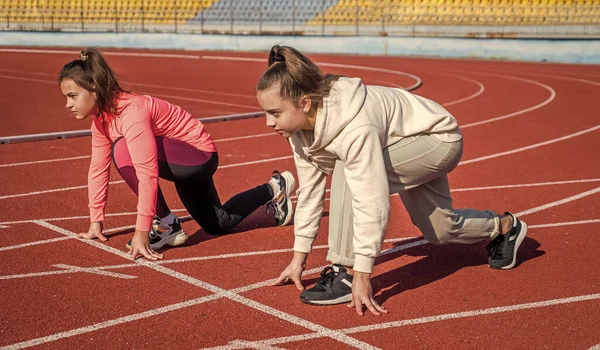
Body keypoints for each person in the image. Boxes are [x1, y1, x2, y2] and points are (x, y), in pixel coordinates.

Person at [256, 45, 528, 316]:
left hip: (437, 139)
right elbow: (310, 191)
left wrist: (362, 271)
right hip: (396, 144)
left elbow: (370, 197)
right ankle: (504, 227)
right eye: (266, 113)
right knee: (441, 230)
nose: (268, 122)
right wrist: (298, 258)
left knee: (348, 171)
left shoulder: (353, 126)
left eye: (275, 113)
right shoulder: (298, 131)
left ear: (304, 103)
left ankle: (344, 273)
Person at [59, 47, 295, 261]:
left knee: (122, 149)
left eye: (72, 96)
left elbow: (146, 172)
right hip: (180, 161)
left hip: (198, 155)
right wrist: (95, 221)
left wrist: (142, 231)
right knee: (219, 223)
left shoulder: (131, 112)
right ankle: (275, 187)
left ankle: (165, 224)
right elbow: (98, 169)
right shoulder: (101, 122)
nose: (68, 105)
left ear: (94, 89)